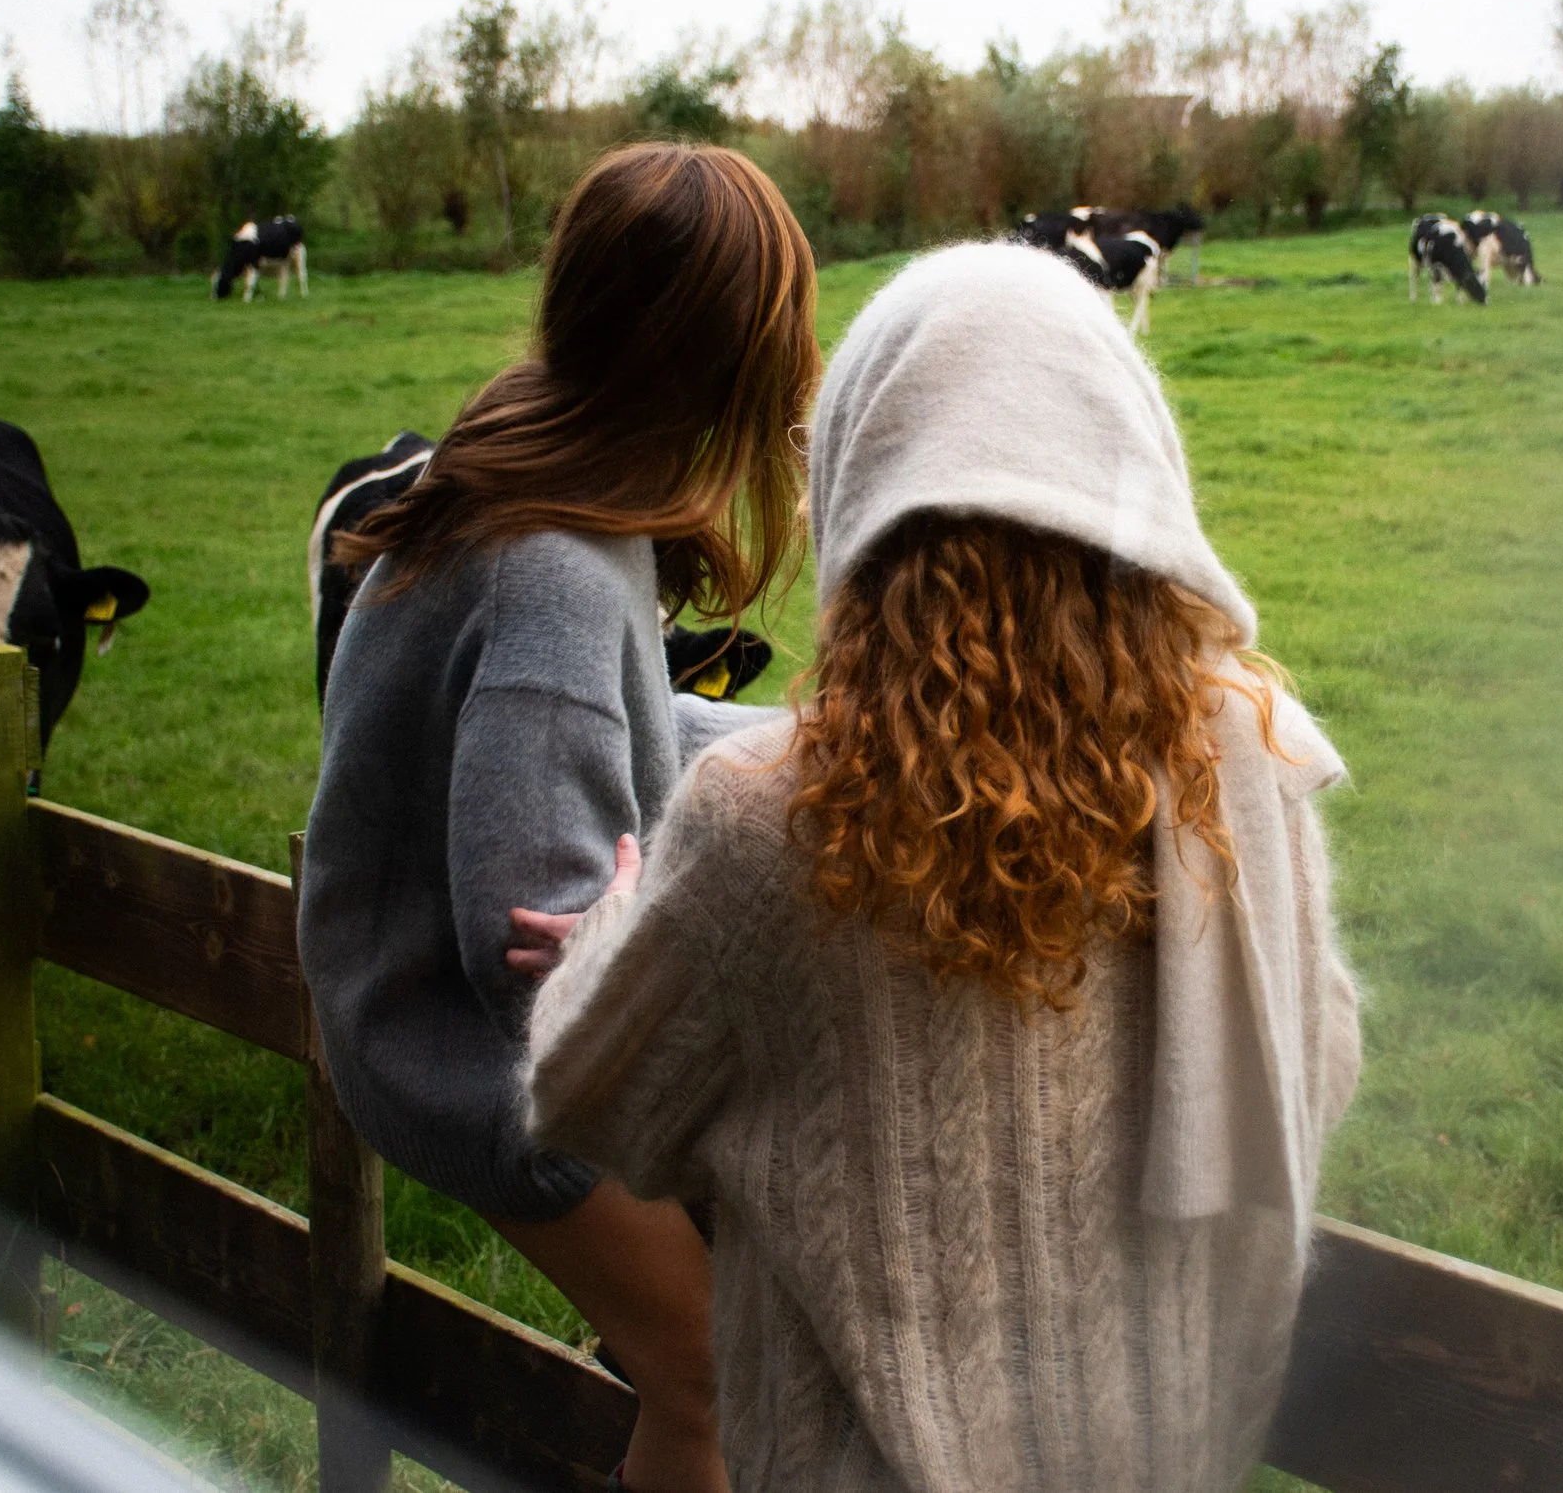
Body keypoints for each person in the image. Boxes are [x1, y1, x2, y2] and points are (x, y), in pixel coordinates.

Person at [513, 242, 1363, 1492]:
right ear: (1132, 468)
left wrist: (626, 909)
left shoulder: (768, 822)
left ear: (859, 472)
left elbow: (587, 1092)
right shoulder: (1243, 774)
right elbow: (1315, 1060)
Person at [300, 142, 819, 1493]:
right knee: (712, 1371)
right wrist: (670, 916)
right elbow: (523, 928)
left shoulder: (522, 458)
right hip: (464, 1051)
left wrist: (807, 750)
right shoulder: (561, 571)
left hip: (390, 984)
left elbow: (615, 716)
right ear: (729, 362)